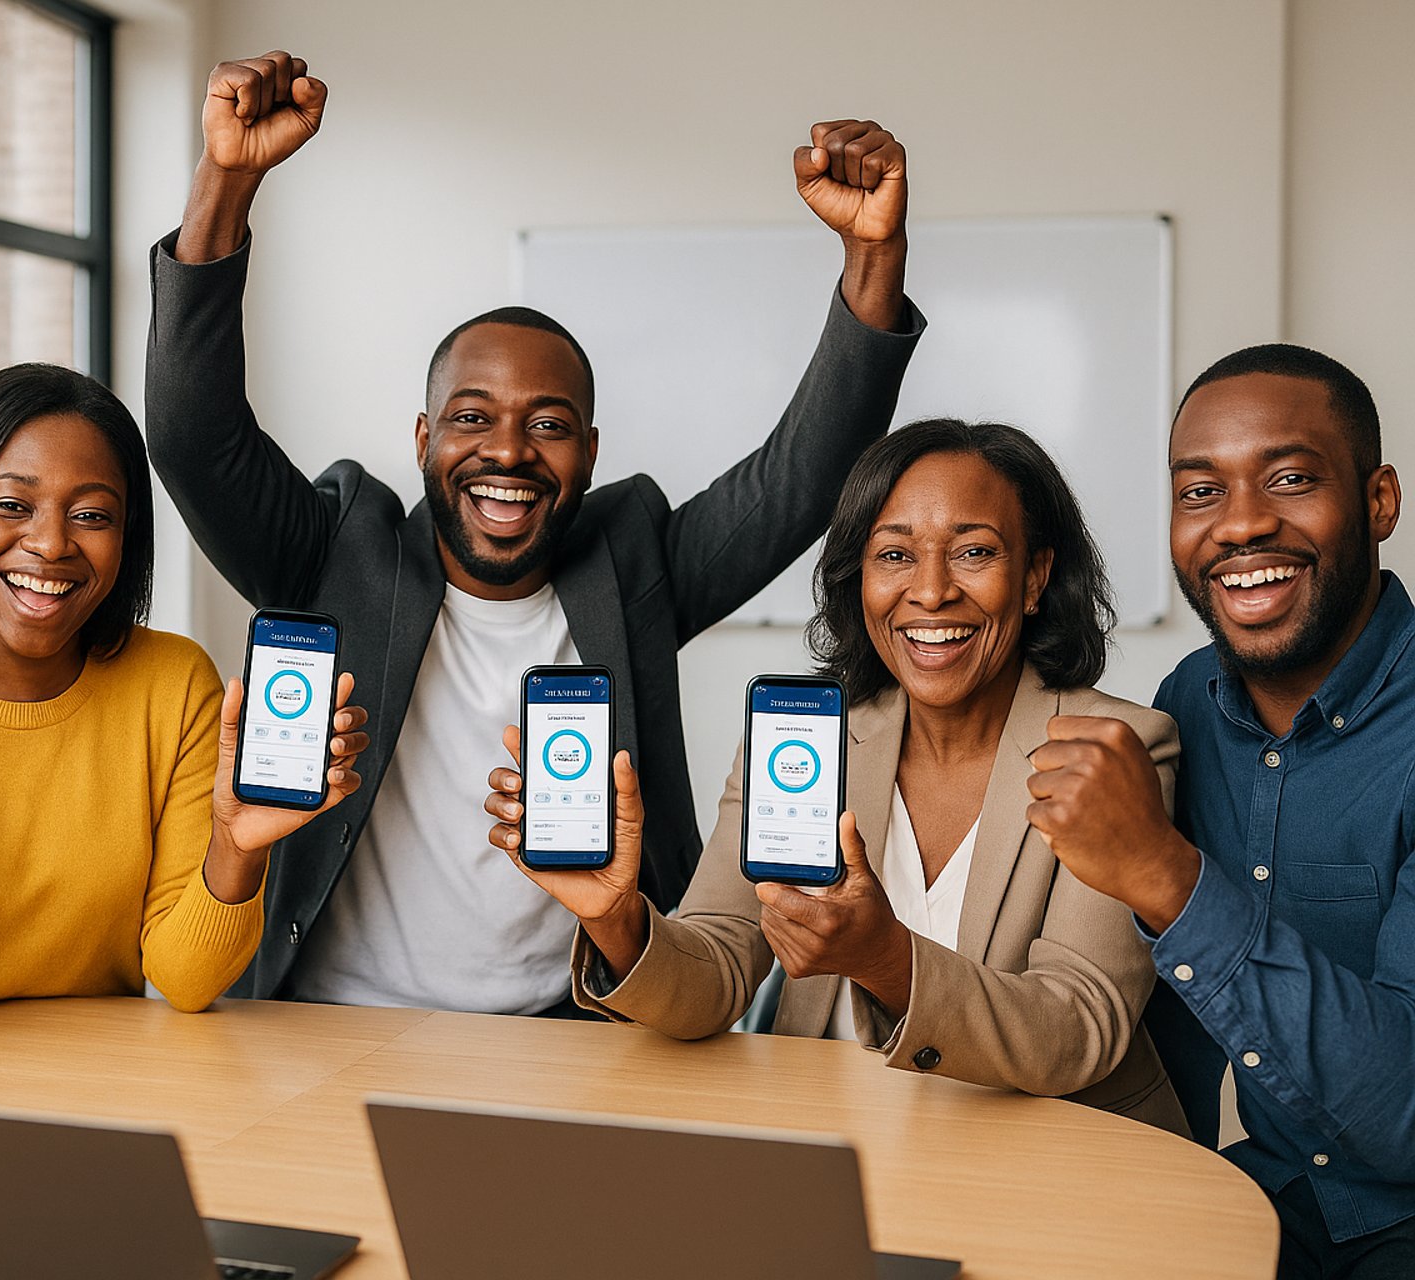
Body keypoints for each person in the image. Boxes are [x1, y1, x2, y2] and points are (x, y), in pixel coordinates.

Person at [145, 51, 924, 1016]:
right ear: (424, 439)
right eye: (472, 418)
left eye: (548, 425)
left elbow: (802, 481)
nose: (508, 453)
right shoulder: (336, 549)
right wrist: (226, 179)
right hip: (329, 1024)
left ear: (589, 452)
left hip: (572, 1033)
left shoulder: (632, 562)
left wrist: (873, 262)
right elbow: (191, 437)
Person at [485, 420, 1186, 1129]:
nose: (932, 591)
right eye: (895, 555)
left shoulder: (1117, 751)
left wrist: (888, 962)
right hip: (829, 1149)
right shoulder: (806, 744)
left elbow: (1078, 1027)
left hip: (1049, 1171)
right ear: (861, 581)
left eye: (974, 552)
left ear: (1034, 576)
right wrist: (617, 920)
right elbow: (716, 975)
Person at [0, 364, 368, 1048]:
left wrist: (234, 848)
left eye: (92, 515)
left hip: (95, 1074)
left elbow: (185, 979)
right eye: (12, 505)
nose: (53, 543)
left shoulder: (172, 684)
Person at [1029, 346, 1413, 1276]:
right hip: (1252, 1203)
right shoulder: (1188, 701)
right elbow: (1161, 1026)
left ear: (1378, 502)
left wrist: (1164, 873)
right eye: (1200, 492)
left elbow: (1406, 1116)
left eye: (1289, 479)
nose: (1240, 524)